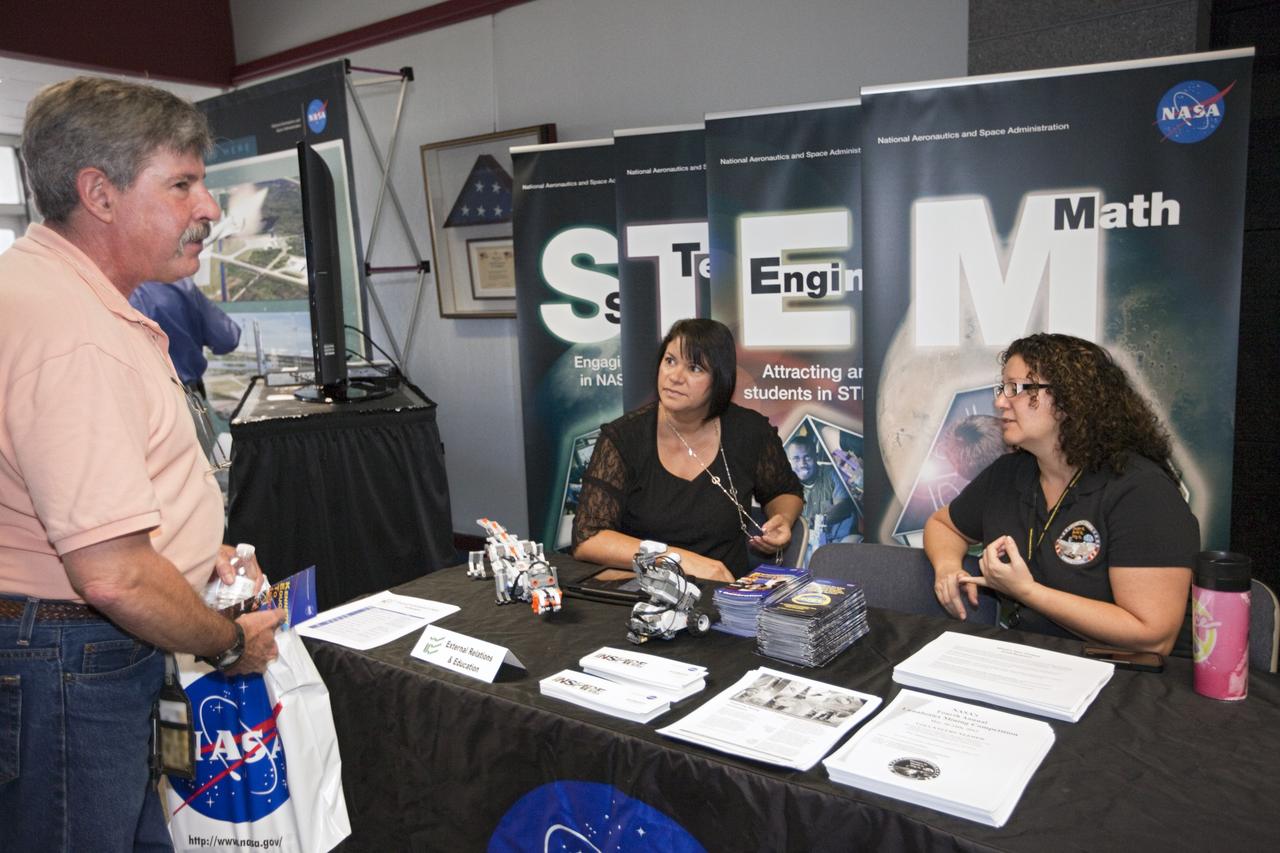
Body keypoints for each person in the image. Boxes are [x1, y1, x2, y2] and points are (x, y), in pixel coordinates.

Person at [0, 77, 285, 851]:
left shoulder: (74, 298)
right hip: (71, 661)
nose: (211, 208)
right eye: (183, 183)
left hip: (80, 654)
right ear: (99, 193)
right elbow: (113, 574)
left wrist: (195, 552)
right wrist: (228, 641)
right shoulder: (71, 328)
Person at [924, 333, 1200, 655]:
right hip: (1034, 663)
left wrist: (1027, 592)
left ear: (1071, 401)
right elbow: (944, 525)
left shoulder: (1140, 491)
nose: (1000, 402)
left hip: (1132, 682)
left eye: (1017, 389)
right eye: (1003, 389)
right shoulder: (1009, 473)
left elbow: (1152, 636)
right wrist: (946, 567)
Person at [572, 319, 803, 581]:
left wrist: (782, 518)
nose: (675, 376)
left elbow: (784, 490)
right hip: (643, 593)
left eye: (694, 368)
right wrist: (678, 561)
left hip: (722, 596)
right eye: (670, 361)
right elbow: (588, 537)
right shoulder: (623, 438)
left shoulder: (749, 431)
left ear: (720, 379)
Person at [129, 276, 241, 398]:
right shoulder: (178, 283)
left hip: (131, 400)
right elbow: (227, 339)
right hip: (186, 396)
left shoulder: (110, 293)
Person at [786, 434, 856, 547]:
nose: (802, 464)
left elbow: (844, 506)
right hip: (807, 544)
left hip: (841, 541)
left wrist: (817, 521)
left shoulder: (832, 473)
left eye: (807, 457)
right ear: (789, 461)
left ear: (816, 456)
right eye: (796, 459)